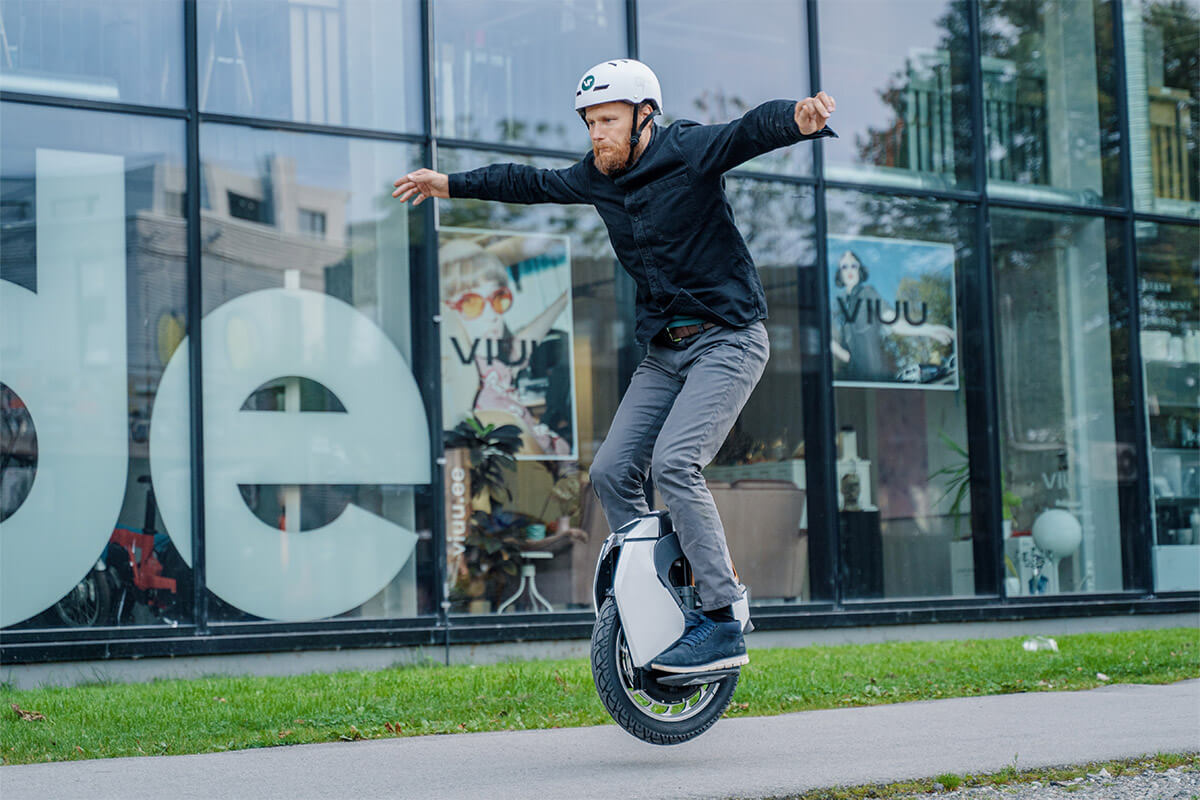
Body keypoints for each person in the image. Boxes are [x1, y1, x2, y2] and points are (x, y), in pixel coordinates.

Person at [394, 59, 837, 674]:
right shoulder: (596, 176)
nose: (597, 133)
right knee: (609, 471)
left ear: (643, 116)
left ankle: (720, 614)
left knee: (675, 463)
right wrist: (451, 184)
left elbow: (747, 131)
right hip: (665, 352)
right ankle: (660, 583)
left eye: (609, 121)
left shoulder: (686, 149)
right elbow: (528, 182)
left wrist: (798, 118)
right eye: (590, 123)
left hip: (729, 339)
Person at [831, 249, 954, 382]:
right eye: (844, 266)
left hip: (876, 377)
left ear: (859, 270)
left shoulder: (867, 293)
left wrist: (930, 329)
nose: (849, 270)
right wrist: (845, 356)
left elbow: (895, 322)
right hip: (853, 379)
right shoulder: (839, 303)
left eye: (853, 265)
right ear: (840, 273)